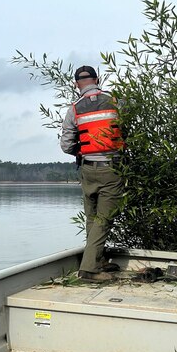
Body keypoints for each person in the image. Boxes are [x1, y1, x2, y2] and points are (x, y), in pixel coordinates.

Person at [60, 65, 124, 281]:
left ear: (77, 84)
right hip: (111, 168)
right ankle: (89, 270)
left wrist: (82, 149)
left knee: (92, 217)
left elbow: (66, 145)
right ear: (97, 80)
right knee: (104, 218)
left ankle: (96, 260)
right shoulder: (115, 101)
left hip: (88, 169)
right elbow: (128, 129)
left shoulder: (74, 109)